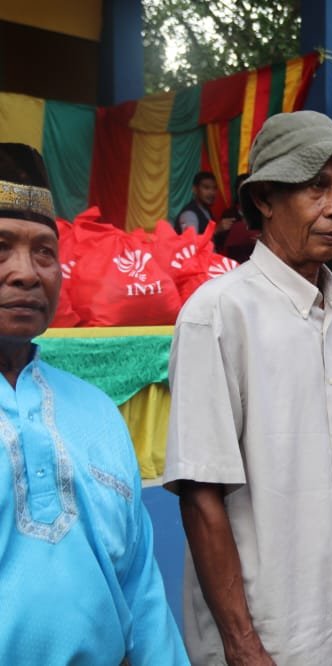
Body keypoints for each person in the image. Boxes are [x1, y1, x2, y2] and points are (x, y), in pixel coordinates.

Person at [163, 111, 332, 665]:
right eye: (316, 187)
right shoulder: (218, 315)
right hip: (272, 636)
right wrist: (244, 645)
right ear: (265, 199)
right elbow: (200, 496)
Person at [0, 142, 187, 664]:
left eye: (44, 251)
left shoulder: (98, 413)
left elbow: (143, 592)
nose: (27, 273)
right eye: (1, 246)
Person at [173, 170, 220, 235]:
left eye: (214, 188)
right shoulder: (189, 214)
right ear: (195, 189)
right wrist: (217, 230)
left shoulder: (206, 210)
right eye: (206, 188)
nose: (212, 193)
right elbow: (191, 242)